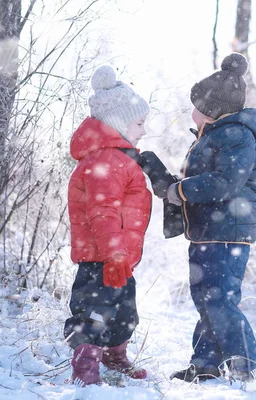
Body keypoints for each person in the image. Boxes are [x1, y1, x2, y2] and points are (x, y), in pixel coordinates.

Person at [167, 53, 256, 382]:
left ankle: (246, 366)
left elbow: (225, 182)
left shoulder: (237, 136)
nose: (191, 109)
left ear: (212, 108)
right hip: (207, 231)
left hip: (226, 233)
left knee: (219, 300)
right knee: (207, 299)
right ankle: (207, 363)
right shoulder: (213, 135)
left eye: (196, 104)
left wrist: (182, 191)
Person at [64, 65, 151, 386]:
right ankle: (86, 366)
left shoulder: (119, 159)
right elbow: (103, 213)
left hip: (118, 258)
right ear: (118, 123)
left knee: (125, 313)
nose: (144, 131)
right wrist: (113, 254)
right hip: (101, 258)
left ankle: (115, 356)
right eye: (139, 123)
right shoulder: (106, 162)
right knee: (94, 313)